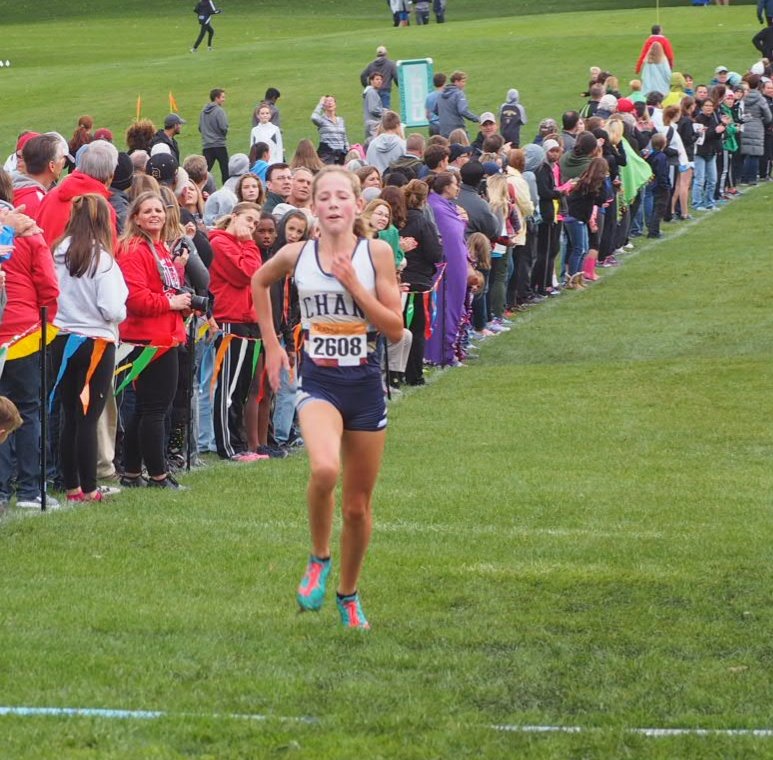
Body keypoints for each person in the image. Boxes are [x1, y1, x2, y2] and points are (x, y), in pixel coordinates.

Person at [250, 166, 403, 630]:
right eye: (325, 197)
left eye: (342, 196)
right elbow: (259, 282)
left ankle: (348, 594)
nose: (334, 203)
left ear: (357, 205)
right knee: (323, 469)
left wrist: (356, 288)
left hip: (365, 385)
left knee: (356, 507)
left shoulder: (376, 253)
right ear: (313, 206)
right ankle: (319, 556)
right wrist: (273, 344)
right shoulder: (297, 254)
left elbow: (394, 328)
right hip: (319, 381)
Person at [50, 194, 128, 503]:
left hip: (62, 339)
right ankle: (90, 487)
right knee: (88, 416)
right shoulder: (102, 259)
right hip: (95, 341)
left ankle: (72, 486)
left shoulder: (57, 252)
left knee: (70, 414)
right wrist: (121, 311)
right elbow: (112, 308)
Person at [117, 192, 192, 489]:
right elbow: (135, 298)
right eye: (147, 211)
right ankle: (159, 476)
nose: (154, 215)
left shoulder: (159, 247)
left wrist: (181, 303)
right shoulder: (134, 249)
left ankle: (133, 472)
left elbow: (164, 288)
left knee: (146, 408)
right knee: (155, 409)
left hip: (164, 334)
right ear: (135, 218)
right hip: (150, 338)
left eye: (158, 210)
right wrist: (171, 304)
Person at [0, 184, 60, 510]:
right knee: (27, 411)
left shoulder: (26, 232)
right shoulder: (28, 233)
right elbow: (49, 286)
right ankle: (28, 489)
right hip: (23, 332)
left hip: (17, 330)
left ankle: (2, 489)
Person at [208, 202, 267, 461]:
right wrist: (250, 244)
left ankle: (239, 443)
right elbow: (248, 274)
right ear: (234, 216)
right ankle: (226, 447)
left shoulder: (241, 245)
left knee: (242, 388)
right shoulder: (220, 243)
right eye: (248, 219)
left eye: (255, 223)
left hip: (246, 319)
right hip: (229, 320)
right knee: (228, 388)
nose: (251, 226)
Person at [399, 179, 443, 385]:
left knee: (401, 328)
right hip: (418, 281)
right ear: (424, 200)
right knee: (417, 330)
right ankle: (414, 374)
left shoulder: (398, 221)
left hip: (400, 279)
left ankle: (397, 372)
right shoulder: (424, 223)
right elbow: (435, 254)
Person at [434, 71, 479, 138]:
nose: (464, 84)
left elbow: (435, 110)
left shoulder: (440, 94)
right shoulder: (459, 94)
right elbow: (463, 111)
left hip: (444, 131)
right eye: (463, 81)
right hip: (457, 131)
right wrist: (477, 119)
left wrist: (446, 116)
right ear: (456, 82)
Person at [199, 88, 230, 184]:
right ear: (216, 98)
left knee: (203, 171)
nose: (224, 99)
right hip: (219, 145)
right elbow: (223, 127)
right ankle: (227, 189)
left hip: (207, 145)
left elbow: (200, 127)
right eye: (222, 97)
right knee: (225, 170)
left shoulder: (203, 111)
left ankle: (198, 187)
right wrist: (222, 135)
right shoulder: (219, 111)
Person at [311, 96, 349, 166]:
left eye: (331, 100)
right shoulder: (321, 120)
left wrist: (348, 149)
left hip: (341, 154)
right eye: (326, 101)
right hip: (327, 154)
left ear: (335, 104)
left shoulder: (340, 120)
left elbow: (344, 136)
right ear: (323, 106)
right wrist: (320, 104)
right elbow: (314, 117)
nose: (329, 103)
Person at [363, 72, 385, 141]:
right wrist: (384, 112)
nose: (379, 81)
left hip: (370, 124)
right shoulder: (372, 92)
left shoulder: (371, 92)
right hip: (374, 125)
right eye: (377, 79)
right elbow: (373, 109)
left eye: (381, 79)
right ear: (371, 81)